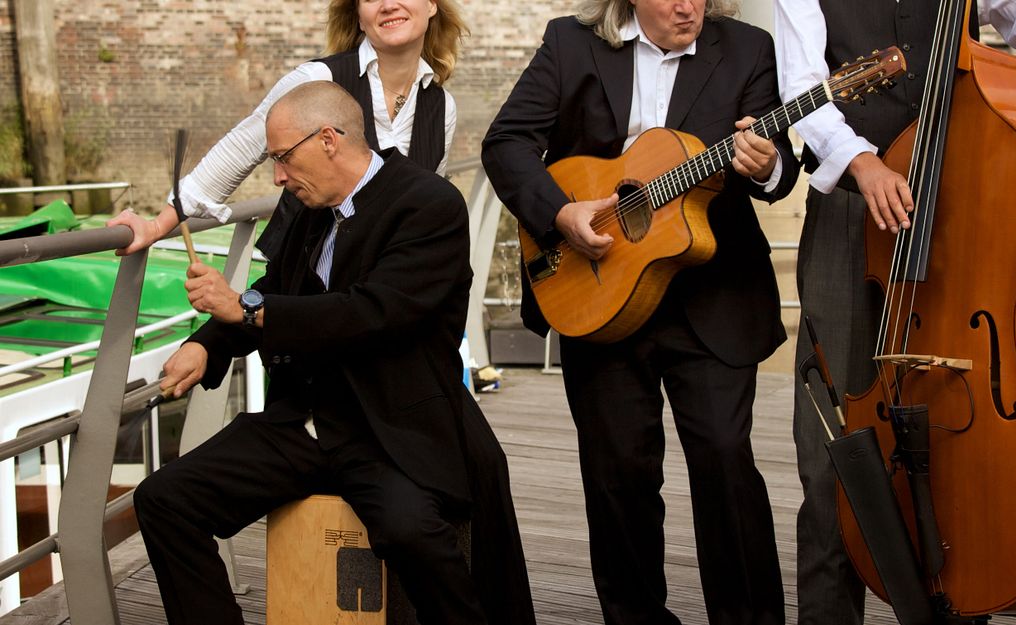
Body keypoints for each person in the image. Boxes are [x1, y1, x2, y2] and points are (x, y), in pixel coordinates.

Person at [133, 82, 533, 625]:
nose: (276, 176)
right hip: (301, 425)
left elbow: (370, 314)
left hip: (386, 432)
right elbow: (274, 285)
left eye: (281, 158)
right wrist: (207, 342)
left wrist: (248, 313)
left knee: (414, 535)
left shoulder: (428, 204)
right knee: (164, 499)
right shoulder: (306, 206)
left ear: (327, 139)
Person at [482, 1, 798, 623]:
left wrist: (768, 167)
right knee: (617, 474)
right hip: (597, 285)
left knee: (725, 462)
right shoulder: (570, 44)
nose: (689, 6)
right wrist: (558, 213)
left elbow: (778, 165)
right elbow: (508, 141)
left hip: (712, 289)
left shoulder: (748, 48)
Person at [772, 1, 1016, 623]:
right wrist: (862, 161)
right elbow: (802, 84)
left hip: (958, 203)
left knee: (956, 430)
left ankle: (962, 602)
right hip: (850, 210)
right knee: (834, 440)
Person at [108, 0, 466, 255]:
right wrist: (157, 227)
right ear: (359, 17)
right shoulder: (318, 78)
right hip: (305, 280)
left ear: (432, 5)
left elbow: (426, 205)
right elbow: (240, 150)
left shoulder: (440, 106)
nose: (388, 5)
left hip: (380, 295)